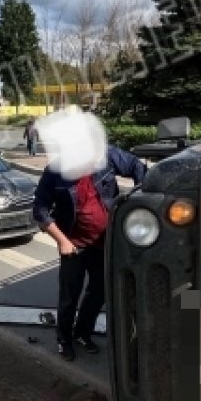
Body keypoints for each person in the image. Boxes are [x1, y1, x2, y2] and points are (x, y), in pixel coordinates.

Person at [33, 127, 146, 361]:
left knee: (99, 292)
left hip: (104, 242)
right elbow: (40, 211)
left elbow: (137, 166)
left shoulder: (105, 155)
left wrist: (139, 197)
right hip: (74, 245)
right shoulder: (54, 173)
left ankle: (82, 333)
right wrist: (62, 240)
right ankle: (64, 339)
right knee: (69, 295)